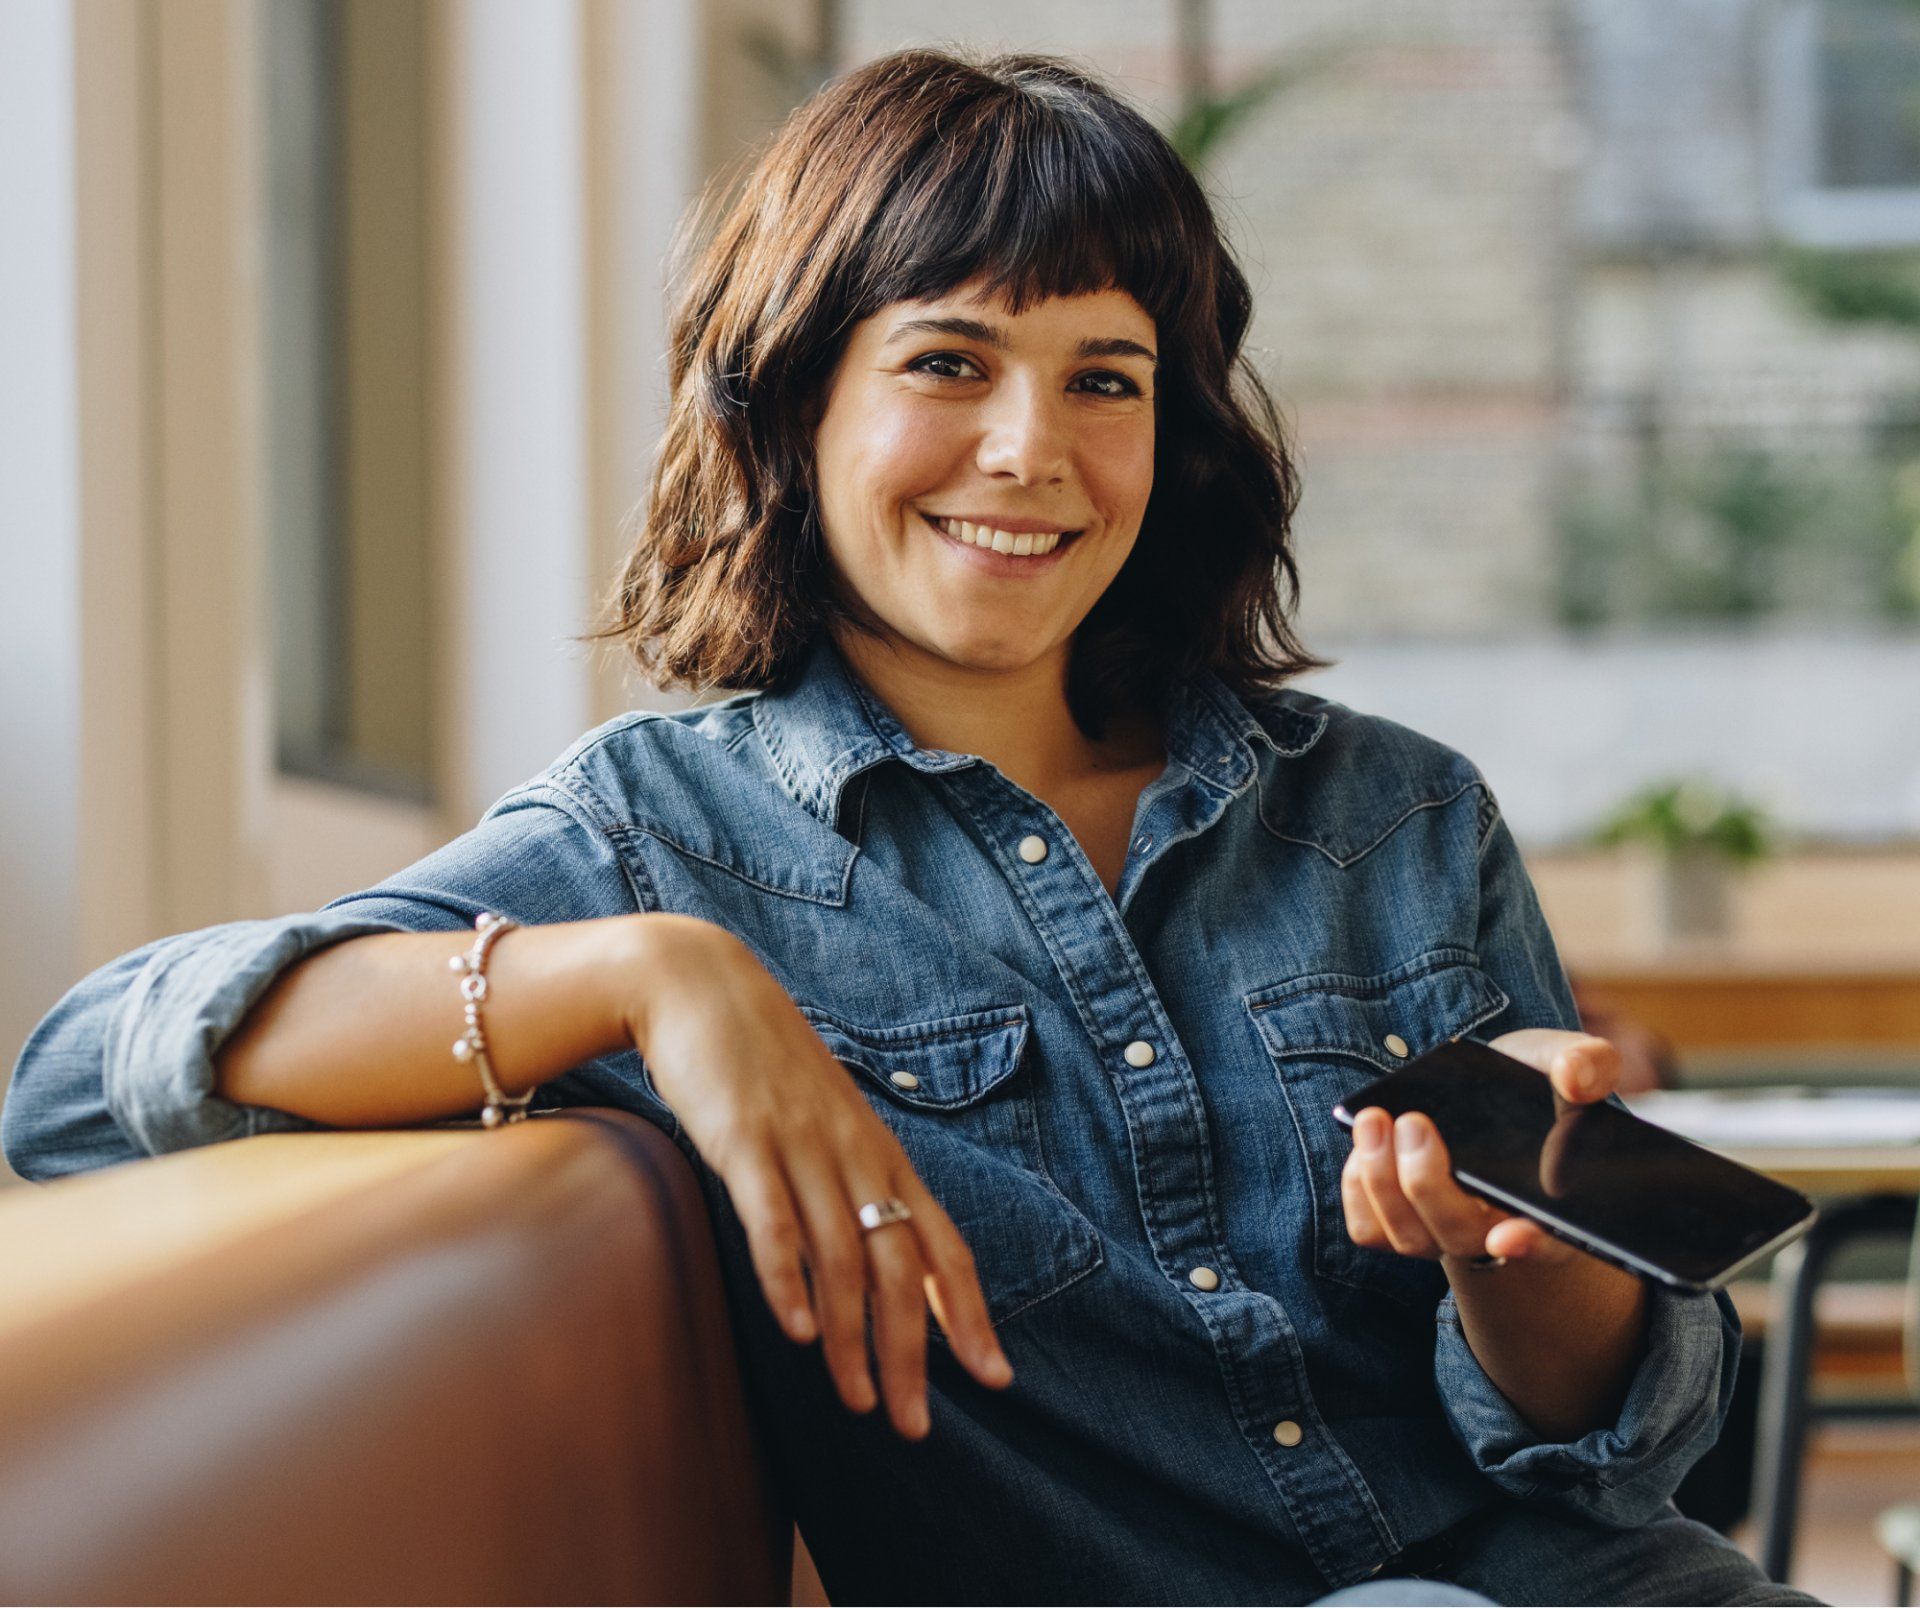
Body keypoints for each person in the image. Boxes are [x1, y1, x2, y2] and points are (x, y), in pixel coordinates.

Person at [3, 48, 1820, 1608]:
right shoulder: (659, 837)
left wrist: (1536, 1274)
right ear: (794, 404)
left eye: (1105, 377)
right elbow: (84, 1080)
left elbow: (1607, 1452)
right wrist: (657, 976)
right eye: (949, 364)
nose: (1033, 448)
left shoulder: (1399, 813)